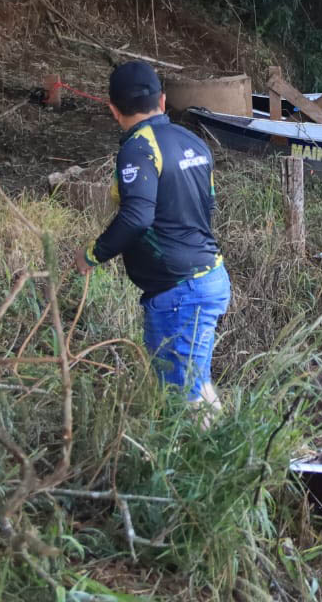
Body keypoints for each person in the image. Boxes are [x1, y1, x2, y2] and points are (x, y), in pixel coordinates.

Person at [74, 62, 230, 416]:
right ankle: (229, 461)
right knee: (196, 385)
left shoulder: (139, 148)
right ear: (162, 99)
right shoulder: (195, 142)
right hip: (209, 278)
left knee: (181, 401)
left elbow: (137, 217)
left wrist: (91, 255)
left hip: (180, 291)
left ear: (113, 110)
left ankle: (193, 466)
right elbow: (209, 205)